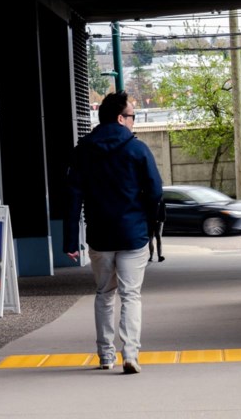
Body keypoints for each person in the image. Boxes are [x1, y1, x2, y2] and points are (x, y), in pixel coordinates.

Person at [64, 91, 163, 375]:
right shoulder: (137, 149)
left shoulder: (83, 150)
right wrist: (149, 222)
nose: (133, 121)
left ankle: (105, 354)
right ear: (121, 118)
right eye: (132, 116)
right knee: (131, 295)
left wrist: (70, 240)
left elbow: (72, 197)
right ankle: (130, 354)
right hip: (133, 235)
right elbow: (155, 191)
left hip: (100, 236)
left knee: (104, 294)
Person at [149, 197, 165, 263]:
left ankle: (151, 256)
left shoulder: (149, 199)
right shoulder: (160, 199)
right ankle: (159, 256)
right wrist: (162, 220)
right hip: (157, 221)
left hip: (150, 221)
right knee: (158, 238)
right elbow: (163, 211)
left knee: (151, 238)